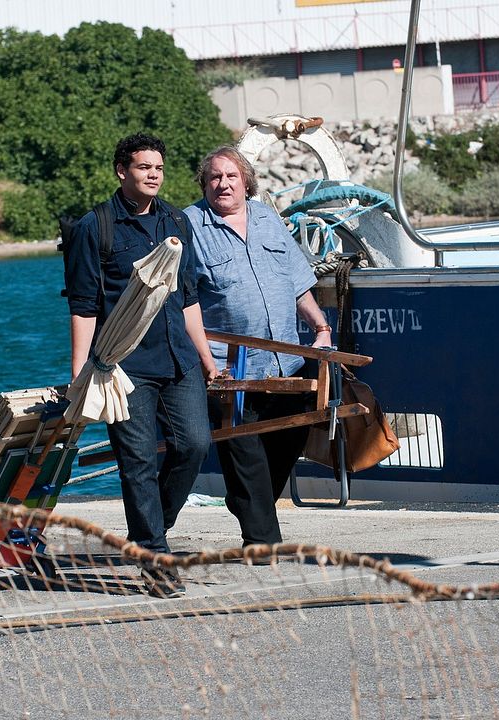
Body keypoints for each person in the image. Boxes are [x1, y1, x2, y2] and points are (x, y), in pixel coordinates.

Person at [65, 133, 217, 598]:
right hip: (123, 365)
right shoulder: (97, 227)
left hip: (178, 358)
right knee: (136, 463)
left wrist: (207, 357)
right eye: (143, 167)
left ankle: (151, 532)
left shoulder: (176, 220)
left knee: (194, 444)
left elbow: (188, 297)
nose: (153, 174)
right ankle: (154, 555)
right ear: (121, 171)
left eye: (159, 167)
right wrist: (79, 374)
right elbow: (83, 305)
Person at [185, 146, 333, 548]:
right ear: (204, 183)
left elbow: (298, 282)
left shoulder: (267, 218)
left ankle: (247, 501)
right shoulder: (189, 225)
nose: (223, 184)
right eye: (214, 177)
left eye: (231, 176)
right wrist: (203, 360)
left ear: (246, 181)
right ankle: (263, 542)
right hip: (228, 366)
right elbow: (185, 301)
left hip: (285, 360)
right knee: (245, 452)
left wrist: (320, 327)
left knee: (289, 437)